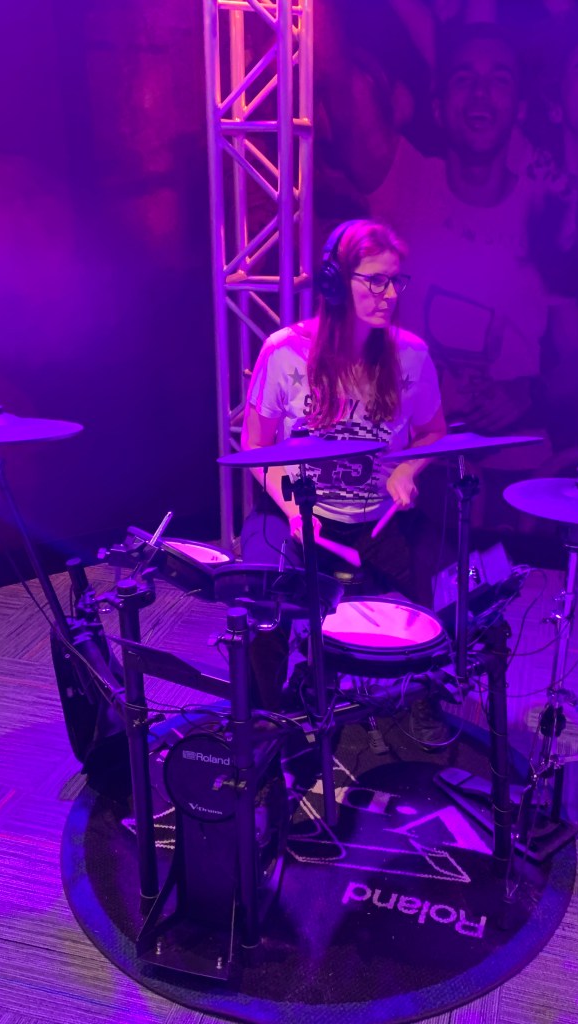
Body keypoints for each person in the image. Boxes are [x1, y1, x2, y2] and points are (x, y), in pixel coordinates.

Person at [240, 219, 448, 730]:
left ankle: (423, 696)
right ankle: (269, 718)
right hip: (296, 514)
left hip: (379, 521)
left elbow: (434, 432)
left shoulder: (411, 355)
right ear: (335, 283)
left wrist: (407, 468)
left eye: (395, 281)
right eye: (375, 280)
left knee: (447, 595)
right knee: (261, 608)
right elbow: (255, 447)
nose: (389, 295)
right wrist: (293, 509)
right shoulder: (283, 351)